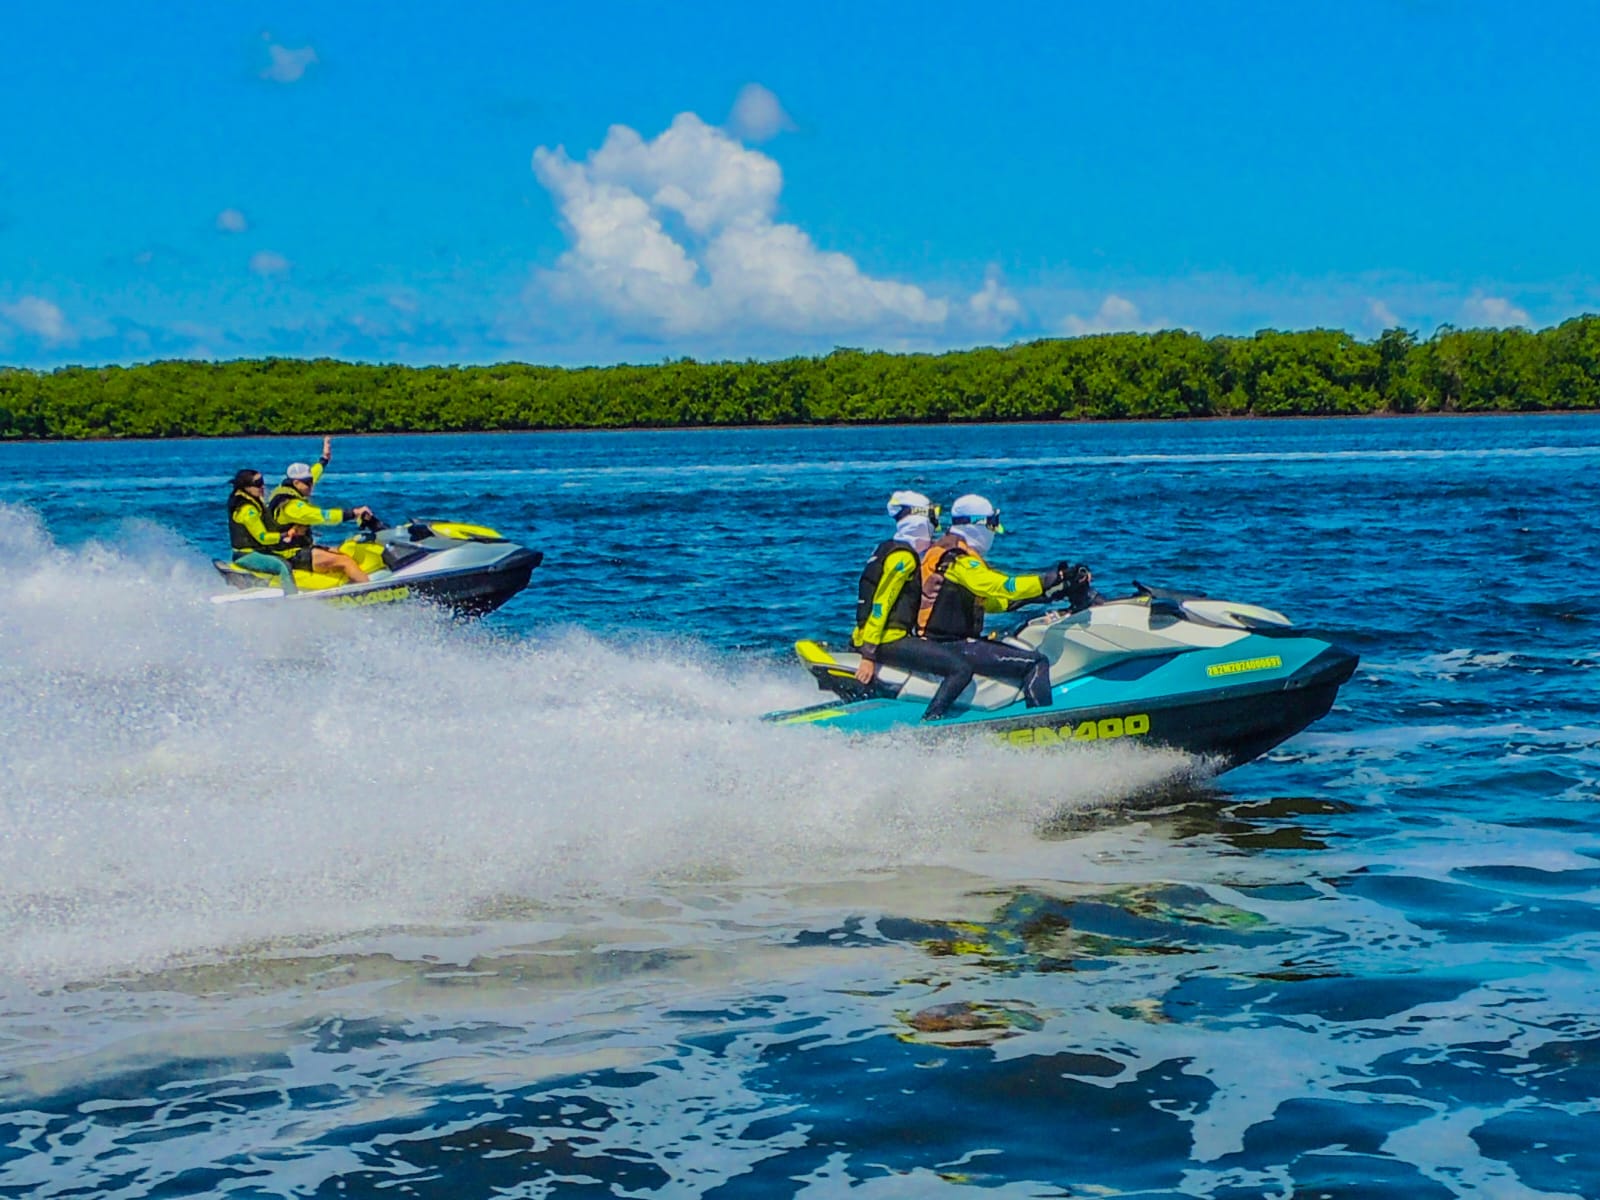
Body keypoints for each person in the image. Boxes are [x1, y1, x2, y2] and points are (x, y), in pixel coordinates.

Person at [916, 494, 1094, 719]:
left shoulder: (950, 553)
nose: (993, 533)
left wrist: (1048, 594)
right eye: (991, 525)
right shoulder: (958, 559)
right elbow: (999, 586)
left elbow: (993, 603)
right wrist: (1049, 578)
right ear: (979, 524)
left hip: (947, 643)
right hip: (950, 646)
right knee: (1035, 662)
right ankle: (1045, 731)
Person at [850, 490, 975, 720]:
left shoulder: (885, 548)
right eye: (933, 518)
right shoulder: (904, 558)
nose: (935, 527)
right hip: (887, 639)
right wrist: (869, 655)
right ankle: (932, 722)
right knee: (961, 668)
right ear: (919, 519)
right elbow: (881, 605)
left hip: (876, 637)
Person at [264, 436, 375, 584]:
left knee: (345, 552)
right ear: (296, 482)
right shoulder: (291, 506)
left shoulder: (286, 487)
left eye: (311, 481)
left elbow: (314, 473)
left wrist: (324, 459)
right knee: (345, 562)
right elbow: (322, 516)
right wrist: (353, 513)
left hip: (297, 548)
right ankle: (373, 593)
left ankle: (349, 585)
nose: (312, 486)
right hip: (290, 554)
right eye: (308, 483)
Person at [226, 468, 297, 592]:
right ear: (246, 487)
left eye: (262, 482)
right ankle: (292, 596)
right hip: (246, 555)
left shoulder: (255, 500)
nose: (262, 486)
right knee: (283, 566)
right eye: (258, 484)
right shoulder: (247, 510)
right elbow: (263, 537)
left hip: (256, 551)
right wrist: (284, 535)